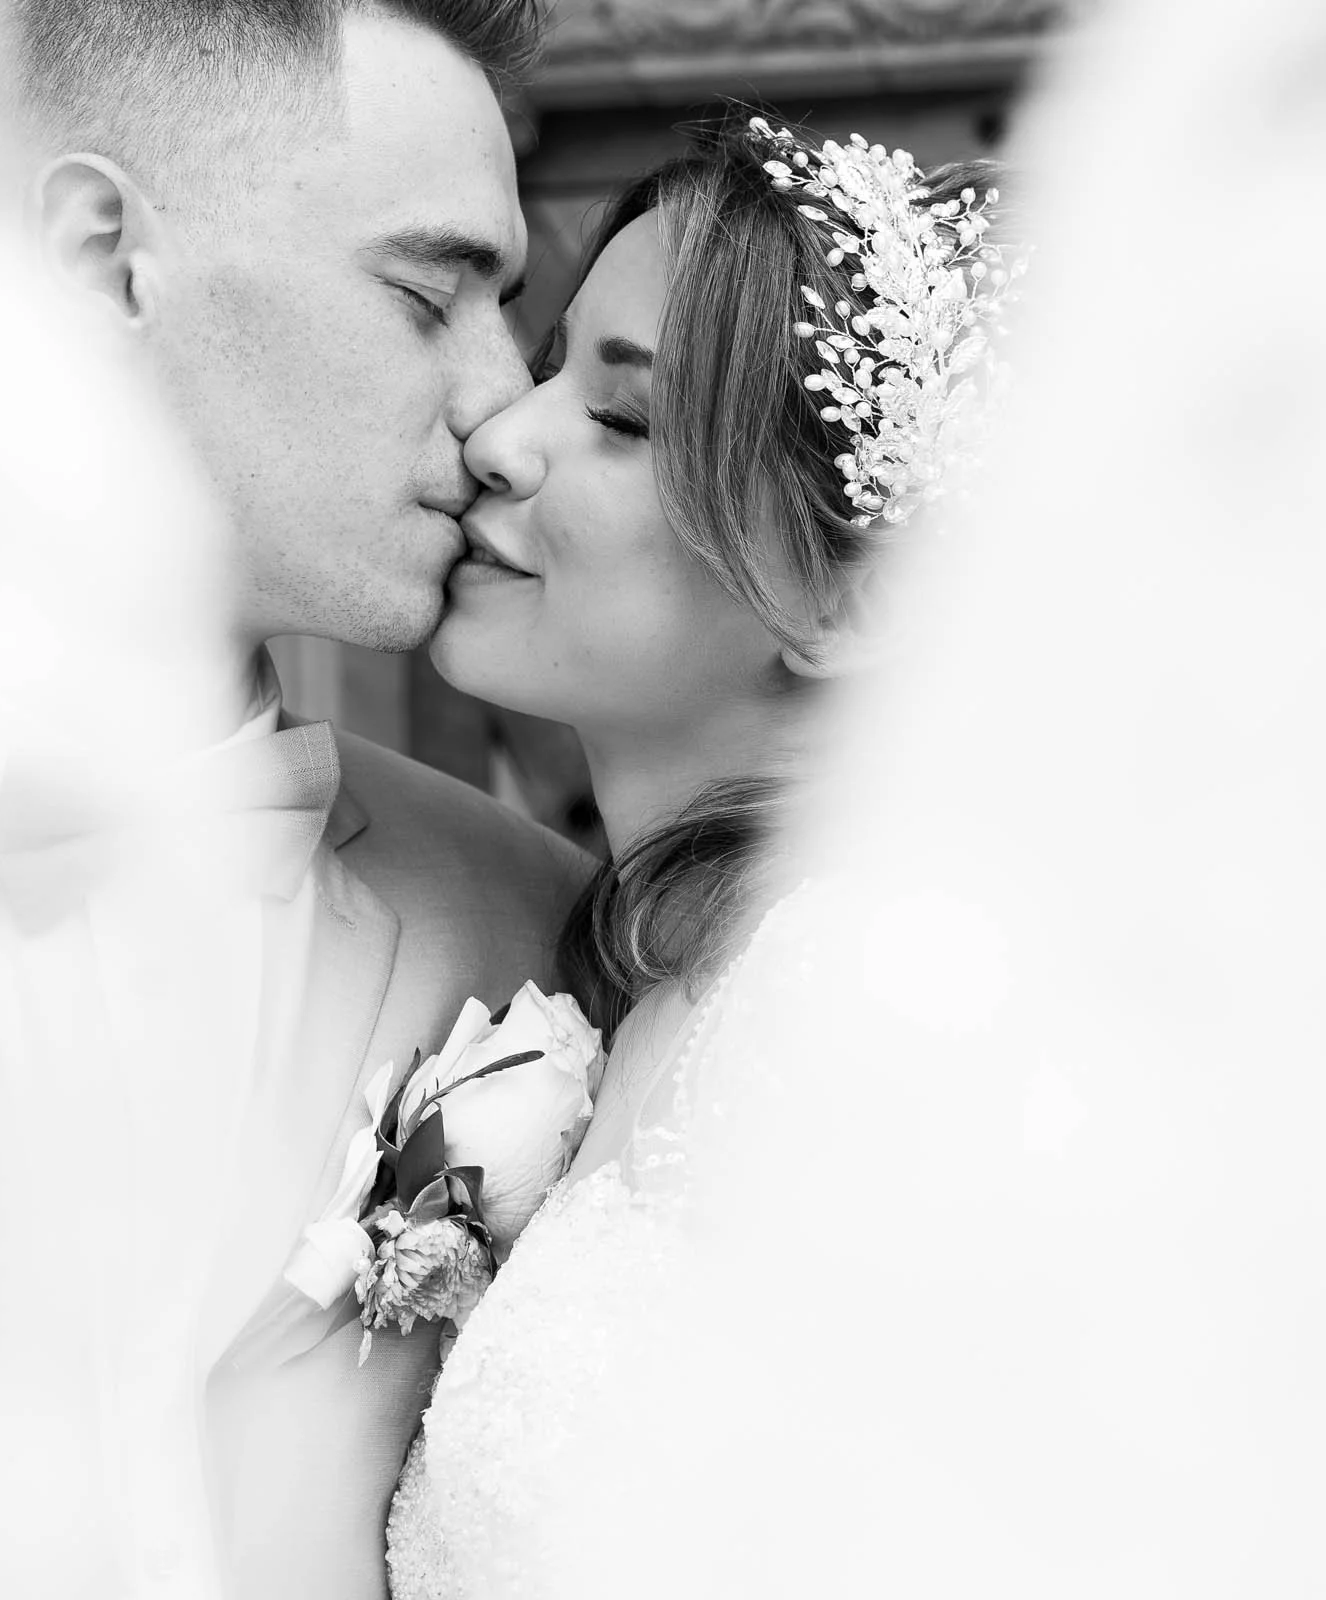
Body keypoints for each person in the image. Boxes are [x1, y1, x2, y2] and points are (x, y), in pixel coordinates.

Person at [0, 2, 588, 1593]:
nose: (502, 405)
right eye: (427, 296)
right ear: (101, 259)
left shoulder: (536, 931)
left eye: (509, 313)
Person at [381, 118, 1010, 1596]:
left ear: (853, 604)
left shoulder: (881, 992)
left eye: (622, 418)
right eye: (549, 368)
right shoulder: (645, 979)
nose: (501, 437)